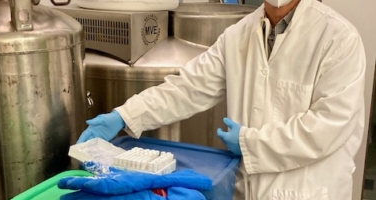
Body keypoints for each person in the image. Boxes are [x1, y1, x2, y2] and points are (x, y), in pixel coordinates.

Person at [76, 0, 366, 199]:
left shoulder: (338, 38)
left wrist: (250, 143)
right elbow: (188, 87)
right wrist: (125, 116)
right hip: (248, 189)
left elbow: (328, 126)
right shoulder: (239, 34)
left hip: (311, 192)